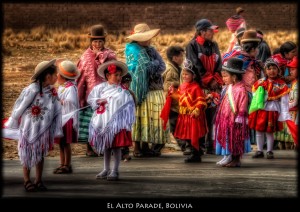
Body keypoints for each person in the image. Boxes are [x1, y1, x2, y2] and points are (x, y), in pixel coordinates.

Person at [4, 59, 63, 191]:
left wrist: (59, 111)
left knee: (40, 154)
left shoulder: (51, 91)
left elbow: (56, 108)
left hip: (42, 130)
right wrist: (13, 120)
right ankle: (27, 180)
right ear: (48, 76)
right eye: (55, 75)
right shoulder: (32, 89)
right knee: (27, 154)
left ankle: (38, 180)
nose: (57, 77)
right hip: (29, 127)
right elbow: (21, 106)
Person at [125, 23, 169, 157]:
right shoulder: (133, 50)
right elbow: (143, 69)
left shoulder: (151, 50)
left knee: (148, 118)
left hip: (154, 88)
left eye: (148, 37)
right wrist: (153, 65)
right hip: (140, 90)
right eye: (145, 37)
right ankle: (137, 147)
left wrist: (152, 66)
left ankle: (145, 146)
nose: (148, 40)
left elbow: (162, 65)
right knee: (139, 117)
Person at [88, 60, 135, 180]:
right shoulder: (100, 88)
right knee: (106, 146)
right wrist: (98, 101)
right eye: (116, 75)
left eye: (120, 75)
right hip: (103, 121)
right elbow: (91, 99)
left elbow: (128, 104)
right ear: (108, 76)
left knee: (116, 147)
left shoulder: (123, 91)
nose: (119, 78)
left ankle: (115, 170)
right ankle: (106, 169)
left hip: (117, 124)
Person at [76, 24, 116, 157]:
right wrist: (79, 96)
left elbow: (115, 71)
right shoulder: (85, 57)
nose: (97, 44)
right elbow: (81, 77)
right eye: (95, 41)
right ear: (91, 42)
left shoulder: (110, 55)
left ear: (104, 41)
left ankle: (105, 146)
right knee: (89, 121)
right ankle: (89, 147)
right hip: (90, 94)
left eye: (100, 41)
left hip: (106, 94)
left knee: (105, 121)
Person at [186, 18, 223, 154]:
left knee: (211, 116)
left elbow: (219, 63)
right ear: (202, 32)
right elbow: (196, 65)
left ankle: (210, 144)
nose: (213, 32)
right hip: (199, 86)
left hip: (213, 86)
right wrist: (208, 80)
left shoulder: (214, 45)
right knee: (199, 115)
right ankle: (198, 145)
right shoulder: (192, 46)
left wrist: (216, 80)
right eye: (210, 30)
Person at [249, 58, 290, 159]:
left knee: (269, 131)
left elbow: (284, 100)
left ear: (278, 70)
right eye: (269, 68)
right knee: (259, 130)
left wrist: (284, 113)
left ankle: (269, 151)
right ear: (265, 70)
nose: (272, 71)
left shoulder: (281, 85)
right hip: (261, 109)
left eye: (274, 68)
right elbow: (255, 94)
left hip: (273, 110)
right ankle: (259, 150)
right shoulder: (260, 82)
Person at [215, 58, 251, 167]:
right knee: (229, 139)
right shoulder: (229, 87)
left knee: (236, 139)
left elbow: (243, 105)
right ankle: (228, 156)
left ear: (234, 77)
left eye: (226, 76)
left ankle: (236, 159)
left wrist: (240, 118)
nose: (223, 78)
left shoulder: (241, 89)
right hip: (226, 119)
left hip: (236, 120)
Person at [170, 59, 208, 162]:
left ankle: (196, 154)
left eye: (187, 74)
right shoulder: (182, 86)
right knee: (187, 136)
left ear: (193, 75)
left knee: (193, 136)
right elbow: (180, 98)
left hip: (193, 117)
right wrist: (172, 93)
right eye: (183, 74)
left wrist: (196, 109)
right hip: (184, 117)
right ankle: (193, 152)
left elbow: (201, 101)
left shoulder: (196, 88)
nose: (184, 76)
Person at [53, 60, 80, 174]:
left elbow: (71, 101)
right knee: (61, 143)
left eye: (58, 74)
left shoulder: (70, 88)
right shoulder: (63, 87)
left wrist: (59, 100)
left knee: (66, 143)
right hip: (61, 117)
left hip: (67, 118)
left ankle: (67, 165)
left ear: (63, 76)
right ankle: (62, 163)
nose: (56, 76)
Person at [161, 45, 188, 153]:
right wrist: (180, 85)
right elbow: (169, 87)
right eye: (181, 56)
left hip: (176, 103)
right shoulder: (171, 70)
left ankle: (184, 145)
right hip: (172, 104)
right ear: (174, 58)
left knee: (177, 125)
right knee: (175, 126)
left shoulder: (176, 68)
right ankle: (183, 146)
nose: (183, 58)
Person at [274, 56, 298, 150]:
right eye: (290, 69)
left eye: (293, 69)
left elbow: (294, 101)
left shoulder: (296, 85)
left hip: (293, 112)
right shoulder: (293, 82)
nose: (291, 72)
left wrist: (285, 106)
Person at [120, 73, 136, 161]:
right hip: (119, 120)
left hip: (127, 120)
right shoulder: (117, 92)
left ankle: (125, 153)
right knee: (119, 136)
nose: (127, 84)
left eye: (128, 82)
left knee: (126, 136)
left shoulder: (131, 93)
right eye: (125, 83)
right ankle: (120, 153)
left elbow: (134, 105)